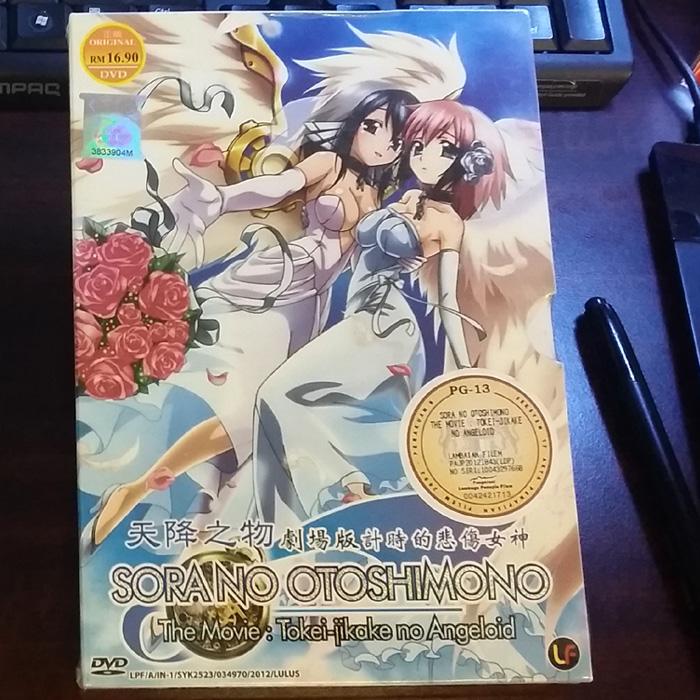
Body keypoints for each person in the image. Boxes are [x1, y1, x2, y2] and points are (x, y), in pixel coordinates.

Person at [80, 31, 467, 554]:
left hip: (313, 309)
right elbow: (281, 185)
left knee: (259, 427)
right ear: (355, 123)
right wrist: (223, 198)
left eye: (395, 137)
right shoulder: (329, 164)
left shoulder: (384, 191)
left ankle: (203, 529)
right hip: (274, 285)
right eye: (372, 126)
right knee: (247, 410)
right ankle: (136, 491)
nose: (381, 141)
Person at [252, 100, 512, 528]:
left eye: (444, 149)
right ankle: (286, 523)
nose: (425, 158)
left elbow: (447, 298)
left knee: (277, 393)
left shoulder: (449, 222)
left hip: (386, 325)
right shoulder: (406, 197)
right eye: (418, 146)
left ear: (464, 162)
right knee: (302, 405)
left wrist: (465, 368)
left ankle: (345, 485)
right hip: (357, 315)